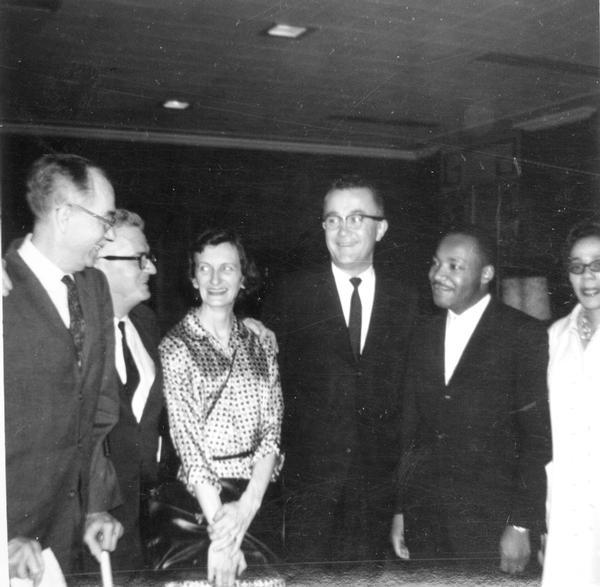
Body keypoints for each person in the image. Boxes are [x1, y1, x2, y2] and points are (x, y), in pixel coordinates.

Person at [262, 175, 418, 562]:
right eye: (332, 219)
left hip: (376, 489)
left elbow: (414, 408)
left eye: (355, 218)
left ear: (381, 228)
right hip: (307, 486)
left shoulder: (409, 303)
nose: (342, 230)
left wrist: (403, 498)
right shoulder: (290, 295)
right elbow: (268, 386)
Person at [391, 225, 551, 574]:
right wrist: (401, 509)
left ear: (486, 274)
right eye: (436, 264)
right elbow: (411, 430)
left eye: (454, 266)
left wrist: (522, 524)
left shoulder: (523, 334)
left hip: (493, 526)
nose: (438, 275)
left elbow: (537, 440)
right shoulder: (422, 333)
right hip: (427, 521)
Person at [3, 154, 124, 582]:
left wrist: (95, 506)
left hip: (64, 534)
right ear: (63, 215)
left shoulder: (95, 288)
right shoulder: (4, 291)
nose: (108, 236)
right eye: (105, 220)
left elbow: (97, 412)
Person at [159, 228, 283, 587]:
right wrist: (225, 537)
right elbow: (189, 446)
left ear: (243, 277)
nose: (215, 279)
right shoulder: (176, 345)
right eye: (204, 269)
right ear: (193, 277)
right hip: (199, 505)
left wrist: (248, 506)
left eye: (227, 268)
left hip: (256, 500)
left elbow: (271, 431)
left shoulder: (260, 342)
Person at [93, 209, 166, 570]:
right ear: (98, 262)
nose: (151, 268)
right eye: (140, 259)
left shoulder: (146, 322)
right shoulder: (75, 335)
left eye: (149, 258)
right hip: (95, 524)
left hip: (147, 518)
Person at [541, 219, 600, 586]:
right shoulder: (554, 337)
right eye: (577, 266)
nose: (587, 276)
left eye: (598, 264)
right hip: (566, 511)